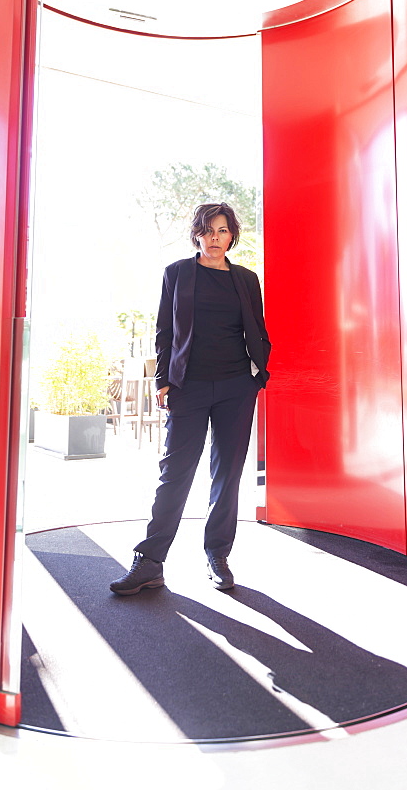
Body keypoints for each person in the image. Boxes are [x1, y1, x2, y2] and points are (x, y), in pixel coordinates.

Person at [110, 202, 271, 595]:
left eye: (222, 230)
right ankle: (150, 561)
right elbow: (165, 330)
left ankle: (217, 555)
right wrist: (164, 380)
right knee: (175, 473)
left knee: (227, 475)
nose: (215, 238)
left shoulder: (246, 279)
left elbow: (257, 327)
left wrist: (258, 374)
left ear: (232, 235)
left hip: (236, 386)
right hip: (190, 386)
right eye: (208, 230)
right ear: (197, 234)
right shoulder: (178, 273)